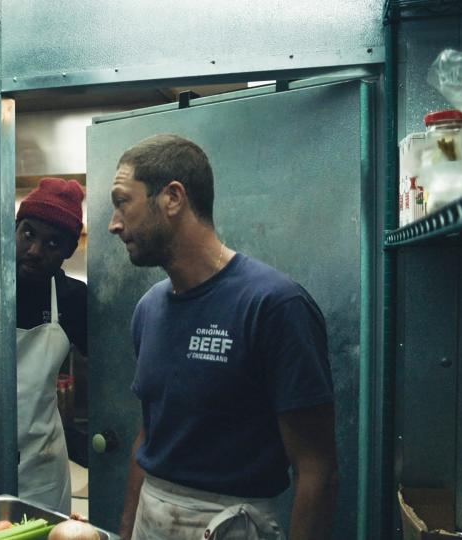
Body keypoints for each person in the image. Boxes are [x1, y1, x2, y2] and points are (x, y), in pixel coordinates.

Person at [108, 135, 337, 540]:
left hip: (232, 525)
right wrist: (127, 530)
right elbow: (149, 433)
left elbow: (315, 466)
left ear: (172, 198)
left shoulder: (274, 305)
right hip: (152, 517)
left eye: (123, 201)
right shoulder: (148, 309)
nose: (114, 223)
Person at [15, 177, 87, 514]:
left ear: (69, 251)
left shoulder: (74, 299)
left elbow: (112, 379)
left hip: (42, 463)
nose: (34, 251)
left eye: (52, 243)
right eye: (28, 234)